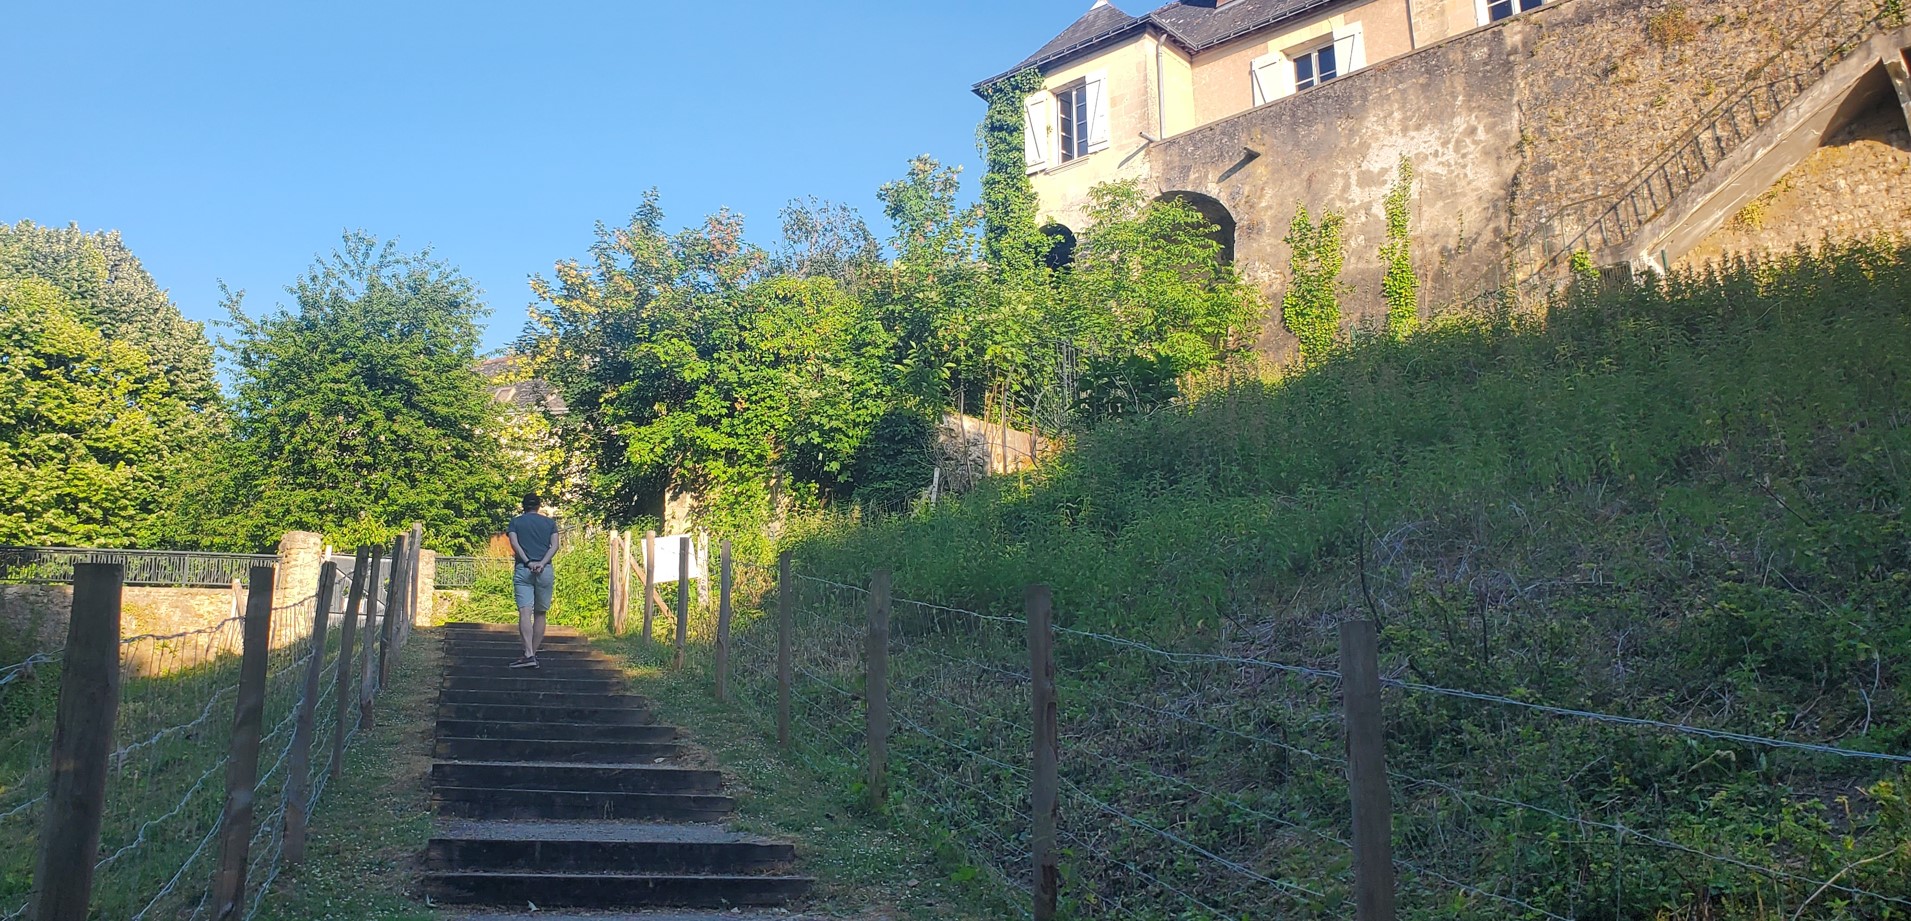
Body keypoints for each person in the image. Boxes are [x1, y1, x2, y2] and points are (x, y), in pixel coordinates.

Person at [505, 493, 559, 668]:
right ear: (538, 506)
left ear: (524, 506)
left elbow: (514, 543)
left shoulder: (516, 522)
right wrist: (542, 563)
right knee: (540, 613)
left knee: (525, 611)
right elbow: (555, 545)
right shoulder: (550, 523)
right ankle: (532, 654)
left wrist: (528, 562)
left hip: (523, 569)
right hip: (545, 570)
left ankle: (528, 654)